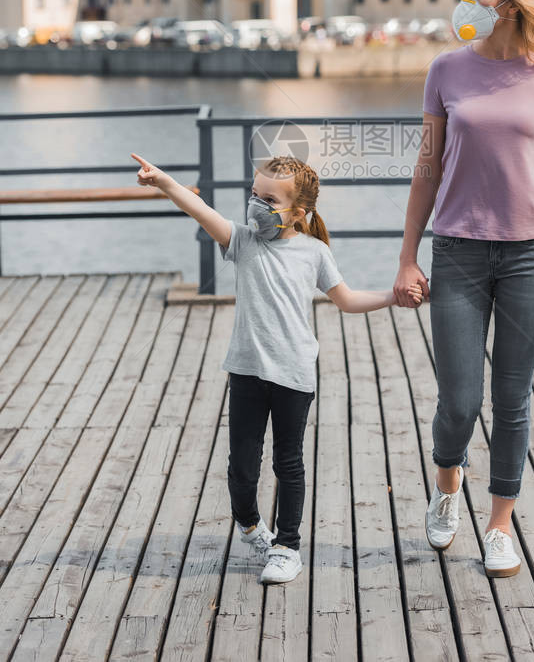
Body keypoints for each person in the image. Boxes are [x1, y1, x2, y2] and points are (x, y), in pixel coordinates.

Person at [131, 152, 422, 585]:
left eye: (268, 199)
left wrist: (391, 296)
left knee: (289, 463)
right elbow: (200, 209)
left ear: (298, 212)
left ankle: (287, 546)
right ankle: (250, 526)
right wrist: (164, 181)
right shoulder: (243, 242)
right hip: (247, 373)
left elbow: (345, 301)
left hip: (295, 375)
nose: (256, 205)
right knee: (242, 468)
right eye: (254, 194)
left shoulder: (314, 252)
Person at [393, 0, 534, 578]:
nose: (465, 3)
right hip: (458, 250)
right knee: (459, 398)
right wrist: (407, 256)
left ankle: (500, 525)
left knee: (512, 398)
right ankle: (448, 483)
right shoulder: (446, 70)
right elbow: (426, 168)